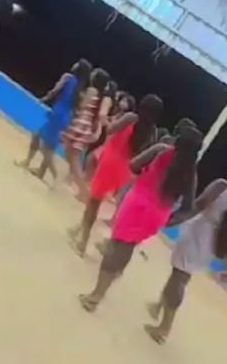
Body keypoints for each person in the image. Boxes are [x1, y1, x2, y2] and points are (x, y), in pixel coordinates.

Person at [78, 125, 203, 313]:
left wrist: (146, 174)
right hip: (157, 215)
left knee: (116, 246)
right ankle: (111, 278)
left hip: (137, 203)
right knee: (128, 246)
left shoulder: (161, 150)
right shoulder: (191, 173)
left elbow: (133, 165)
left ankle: (95, 296)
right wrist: (169, 220)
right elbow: (187, 207)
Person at [145, 161, 227, 344]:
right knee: (180, 276)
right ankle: (158, 307)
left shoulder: (222, 186)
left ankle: (164, 327)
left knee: (178, 278)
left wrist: (173, 220)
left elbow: (198, 205)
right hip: (211, 242)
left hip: (198, 233)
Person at [69, 94, 163, 257]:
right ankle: (78, 229)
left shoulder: (131, 118)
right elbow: (146, 153)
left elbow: (110, 129)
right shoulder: (153, 131)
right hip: (124, 170)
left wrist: (114, 119)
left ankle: (82, 242)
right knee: (95, 200)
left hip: (110, 161)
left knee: (94, 203)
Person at [16, 59, 92, 183]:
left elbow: (55, 90)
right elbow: (77, 109)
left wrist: (44, 98)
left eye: (77, 63)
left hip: (57, 114)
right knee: (48, 146)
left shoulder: (68, 77)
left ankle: (54, 175)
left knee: (41, 141)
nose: (74, 64)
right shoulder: (81, 90)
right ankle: (40, 171)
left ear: (78, 68)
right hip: (65, 118)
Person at [62, 68, 110, 202]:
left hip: (80, 123)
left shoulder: (91, 91)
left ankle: (84, 191)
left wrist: (80, 96)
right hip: (86, 125)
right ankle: (81, 189)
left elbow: (82, 105)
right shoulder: (100, 96)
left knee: (73, 159)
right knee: (73, 157)